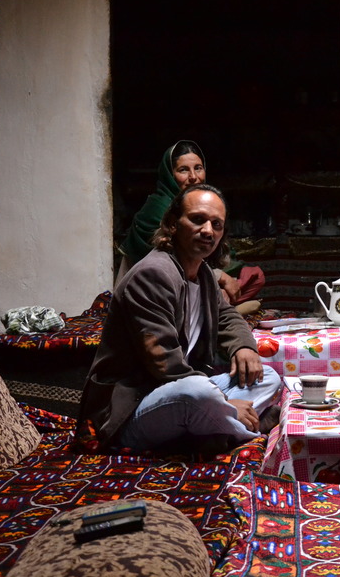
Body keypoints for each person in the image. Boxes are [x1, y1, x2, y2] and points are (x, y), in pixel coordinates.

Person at [78, 184, 282, 455]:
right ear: (173, 224)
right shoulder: (153, 274)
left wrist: (244, 346)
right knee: (198, 393)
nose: (208, 230)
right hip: (130, 408)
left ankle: (212, 429)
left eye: (216, 224)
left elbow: (226, 315)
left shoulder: (205, 274)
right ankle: (241, 430)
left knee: (266, 376)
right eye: (197, 219)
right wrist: (227, 403)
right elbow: (164, 362)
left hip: (172, 391)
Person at [116, 140, 264, 306]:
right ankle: (218, 309)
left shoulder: (205, 204)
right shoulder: (159, 209)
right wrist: (219, 276)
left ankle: (219, 307)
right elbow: (173, 263)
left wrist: (229, 273)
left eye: (198, 168)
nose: (194, 177)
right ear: (169, 175)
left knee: (253, 275)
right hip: (158, 287)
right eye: (183, 170)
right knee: (218, 293)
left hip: (196, 274)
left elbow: (216, 251)